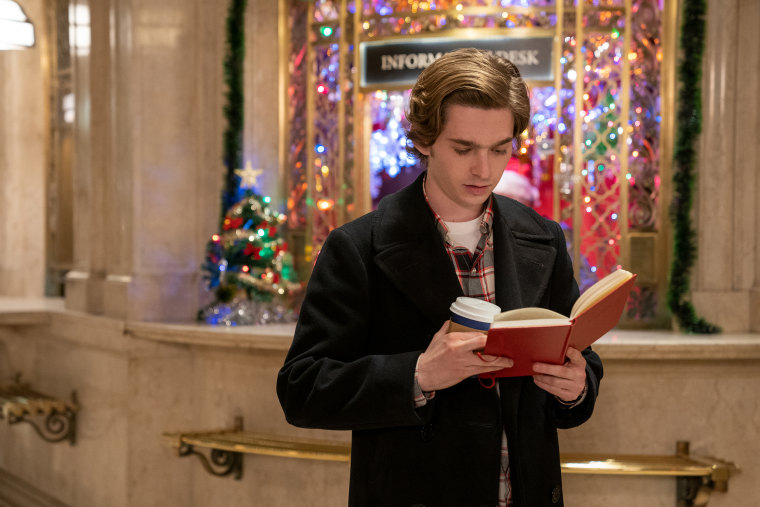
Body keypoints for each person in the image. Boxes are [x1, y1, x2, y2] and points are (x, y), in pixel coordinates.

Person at [277, 48, 602, 507]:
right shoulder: (358, 247)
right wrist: (419, 374)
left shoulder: (544, 238)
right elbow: (302, 389)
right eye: (464, 148)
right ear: (426, 139)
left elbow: (581, 361)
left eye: (500, 149)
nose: (484, 170)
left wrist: (576, 387)